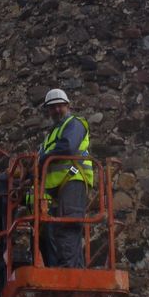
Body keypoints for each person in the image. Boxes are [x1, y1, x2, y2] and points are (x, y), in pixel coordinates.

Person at [36, 88, 93, 268]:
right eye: (52, 108)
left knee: (68, 226)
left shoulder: (74, 123)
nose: (56, 110)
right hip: (56, 189)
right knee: (49, 230)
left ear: (67, 105)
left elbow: (68, 147)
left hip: (72, 180)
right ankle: (61, 268)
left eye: (59, 106)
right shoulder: (51, 135)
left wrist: (44, 158)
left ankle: (69, 271)